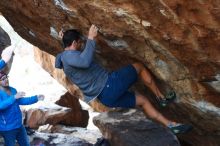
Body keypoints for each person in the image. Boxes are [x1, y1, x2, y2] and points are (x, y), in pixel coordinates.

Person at [55, 25, 192, 134]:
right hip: (109, 86)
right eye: (80, 42)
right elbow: (84, 61)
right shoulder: (69, 57)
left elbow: (70, 54)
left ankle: (170, 125)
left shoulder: (63, 57)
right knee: (139, 67)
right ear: (74, 42)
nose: (82, 44)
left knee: (143, 101)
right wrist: (90, 38)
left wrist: (63, 40)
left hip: (106, 99)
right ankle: (161, 97)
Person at [0, 71, 45, 146]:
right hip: (7, 129)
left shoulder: (13, 90)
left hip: (19, 125)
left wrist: (36, 98)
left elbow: (21, 101)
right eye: (3, 79)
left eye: (6, 77)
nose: (6, 80)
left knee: (26, 144)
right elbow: (1, 106)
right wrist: (13, 97)